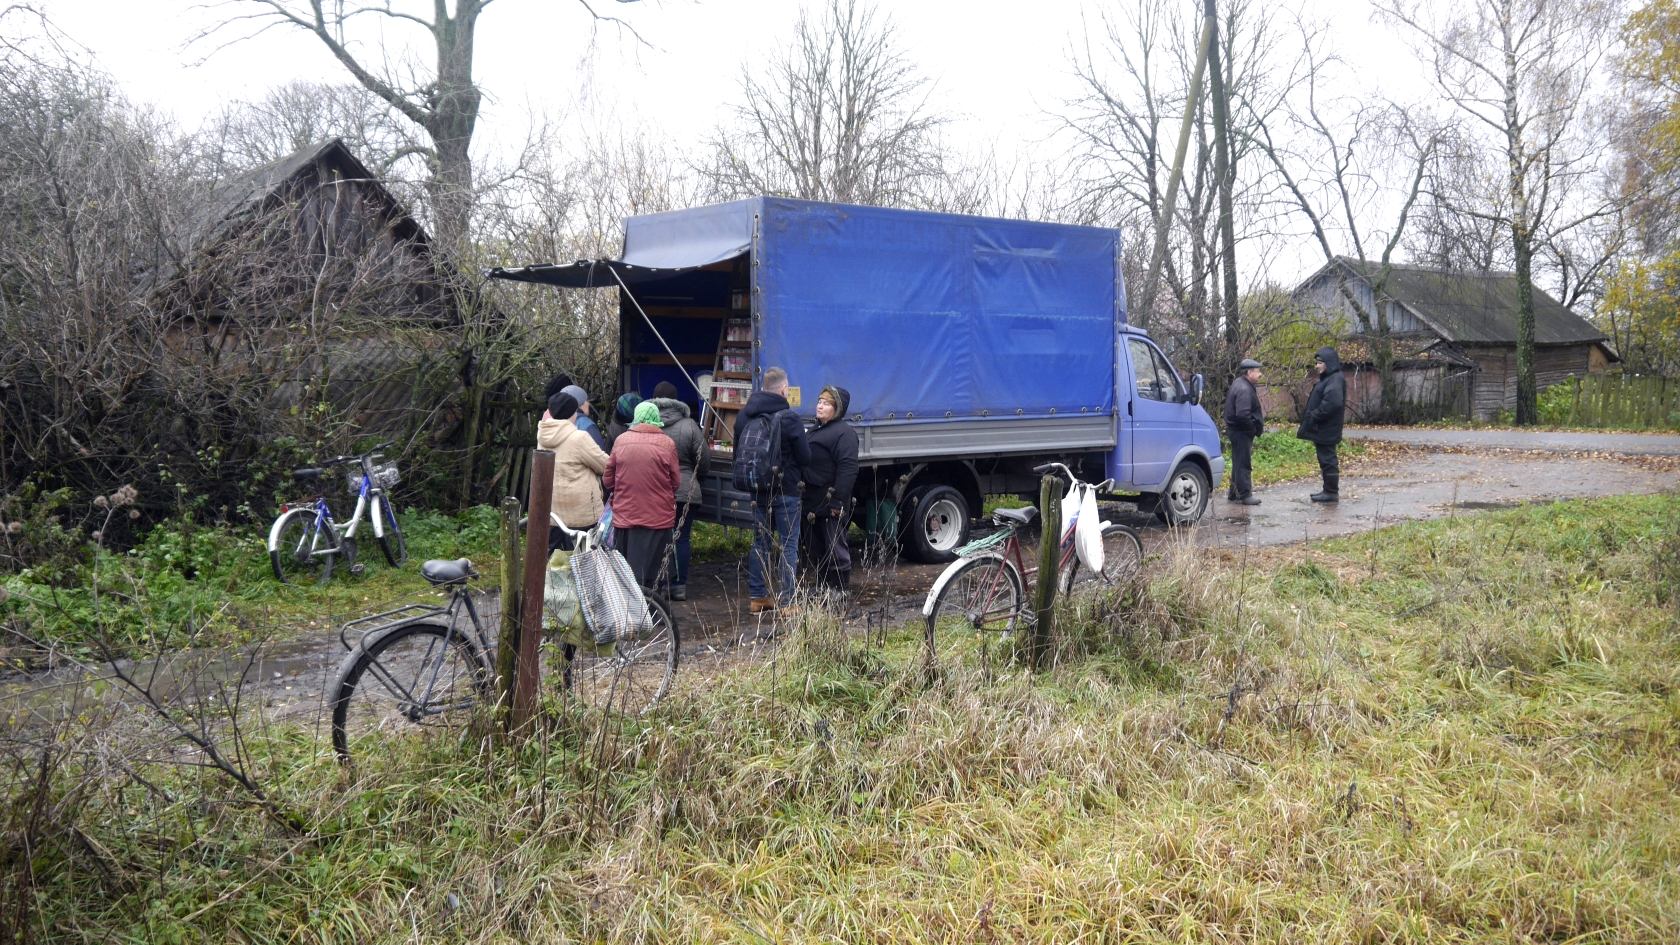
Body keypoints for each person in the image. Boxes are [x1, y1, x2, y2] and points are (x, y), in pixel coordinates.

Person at [735, 366, 811, 615]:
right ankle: (788, 602)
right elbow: (804, 457)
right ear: (783, 389)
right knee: (788, 544)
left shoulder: (744, 416)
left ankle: (758, 598)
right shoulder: (789, 418)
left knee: (760, 542)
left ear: (761, 389)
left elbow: (739, 453)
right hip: (786, 489)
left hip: (758, 490)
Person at [602, 400, 681, 589]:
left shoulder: (621, 441)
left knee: (627, 572)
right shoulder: (667, 443)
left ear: (636, 418)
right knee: (655, 573)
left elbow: (608, 481)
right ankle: (655, 612)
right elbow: (676, 483)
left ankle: (630, 611)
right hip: (658, 519)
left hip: (626, 518)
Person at [648, 380, 707, 601]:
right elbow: (704, 458)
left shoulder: (647, 424)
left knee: (657, 537)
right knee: (681, 538)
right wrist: (694, 476)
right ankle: (679, 586)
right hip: (685, 489)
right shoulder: (689, 424)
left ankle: (659, 582)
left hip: (655, 490)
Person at [536, 390, 609, 552]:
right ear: (571, 413)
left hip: (553, 510)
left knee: (553, 558)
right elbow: (605, 465)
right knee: (581, 559)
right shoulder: (579, 438)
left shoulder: (543, 436)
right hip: (580, 512)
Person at [802, 385, 858, 593]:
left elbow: (848, 469)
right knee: (816, 547)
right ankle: (823, 587)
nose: (820, 406)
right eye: (819, 402)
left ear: (838, 409)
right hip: (811, 501)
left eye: (826, 403)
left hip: (830, 503)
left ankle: (840, 589)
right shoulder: (815, 429)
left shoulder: (844, 434)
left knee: (835, 547)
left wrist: (837, 501)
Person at [1296, 345, 1347, 503]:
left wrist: (1314, 416)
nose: (1317, 366)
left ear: (1329, 363)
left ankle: (1331, 492)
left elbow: (1332, 403)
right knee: (1326, 460)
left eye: (1320, 363)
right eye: (1317, 363)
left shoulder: (1335, 379)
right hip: (1324, 428)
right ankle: (1328, 490)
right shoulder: (1330, 379)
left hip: (1327, 428)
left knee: (1328, 460)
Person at [1222, 359, 1265, 506]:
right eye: (1258, 371)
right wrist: (1252, 429)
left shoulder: (1240, 384)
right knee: (1243, 463)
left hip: (1237, 431)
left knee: (1238, 462)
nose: (1260, 374)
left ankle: (1234, 492)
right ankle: (1245, 494)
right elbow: (1243, 414)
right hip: (1241, 431)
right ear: (1249, 372)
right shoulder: (1244, 389)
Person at [561, 384, 607, 451]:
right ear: (579, 403)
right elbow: (600, 456)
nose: (588, 404)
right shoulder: (589, 427)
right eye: (586, 400)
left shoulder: (556, 423)